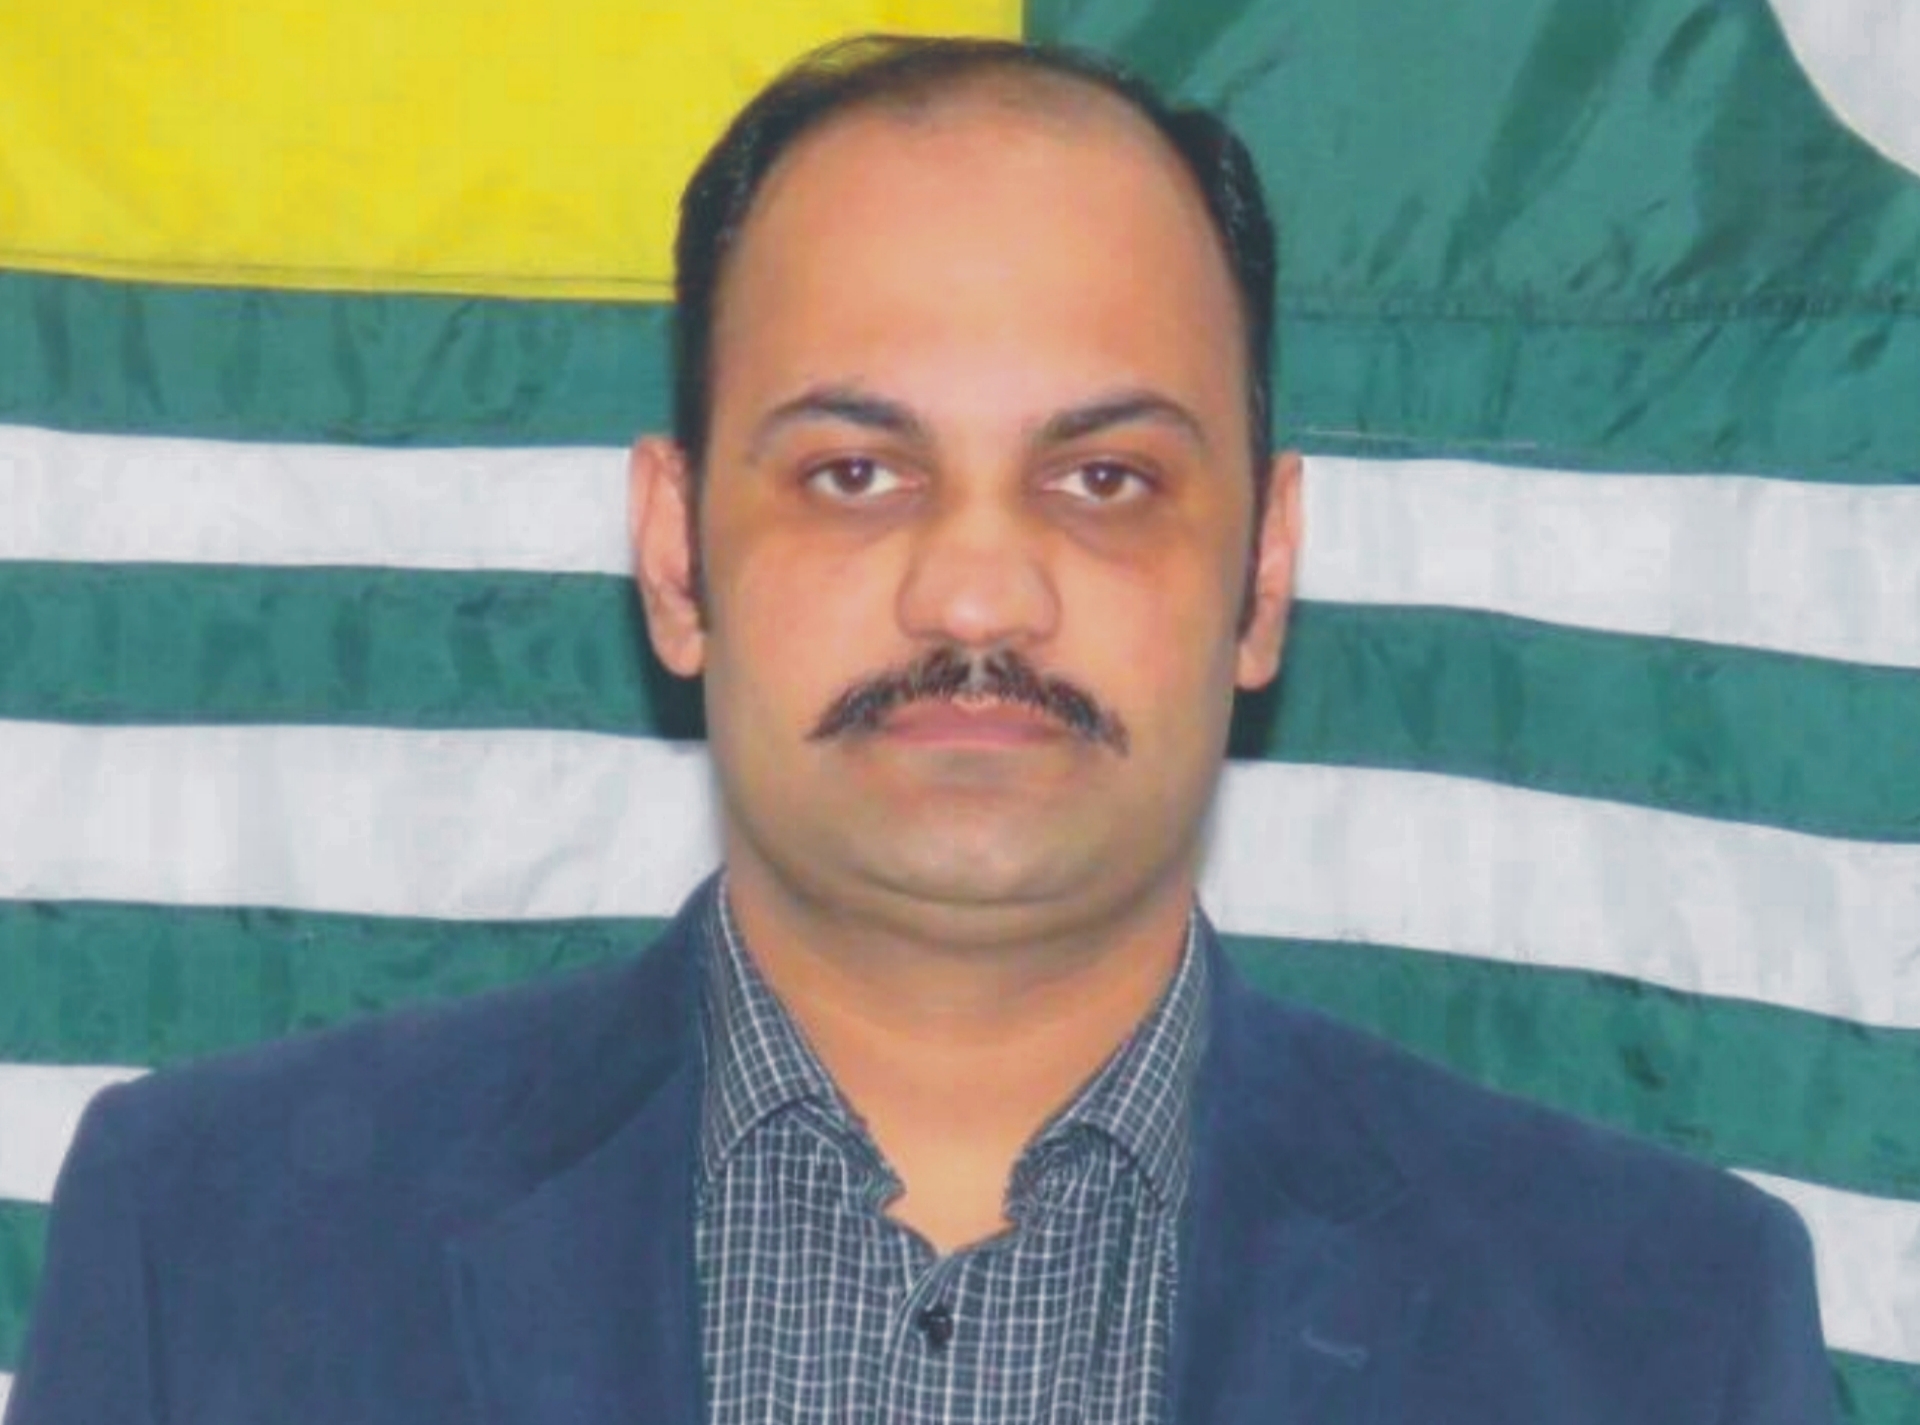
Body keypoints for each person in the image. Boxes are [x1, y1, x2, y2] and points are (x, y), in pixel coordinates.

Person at [7, 34, 1835, 1425]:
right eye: (855, 471)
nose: (977, 594)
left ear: (1264, 573)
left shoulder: (1660, 1332)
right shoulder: (213, 1252)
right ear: (675, 552)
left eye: (1105, 478)